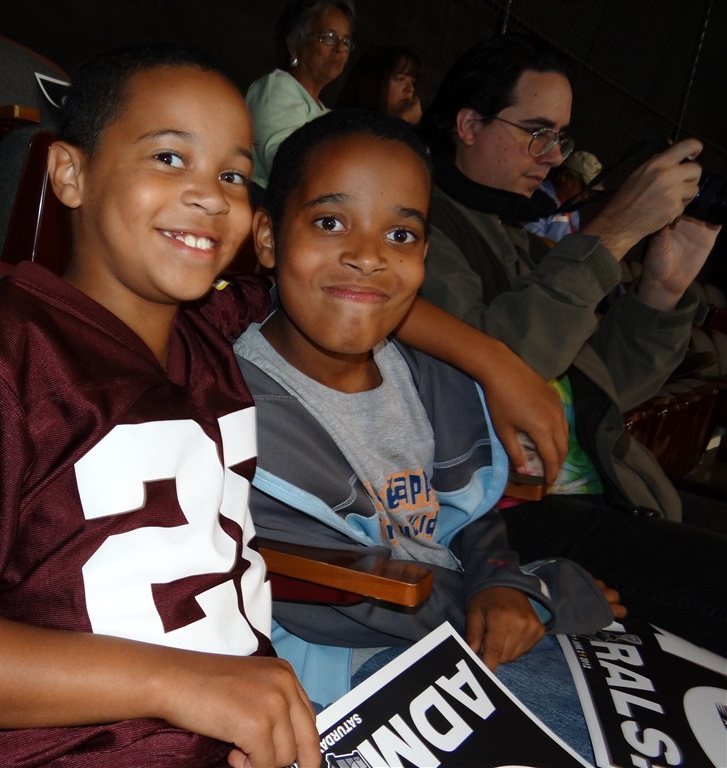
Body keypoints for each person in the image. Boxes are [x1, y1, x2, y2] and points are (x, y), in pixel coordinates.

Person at [0, 43, 322, 768]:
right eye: (169, 158)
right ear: (71, 174)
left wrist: (481, 357)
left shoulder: (207, 327)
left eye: (232, 174)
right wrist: (179, 683)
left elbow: (334, 279)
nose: (210, 195)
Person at [233, 108, 620, 761]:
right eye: (330, 223)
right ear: (268, 237)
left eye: (400, 235)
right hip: (330, 674)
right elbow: (356, 598)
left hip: (450, 620)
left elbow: (465, 512)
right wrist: (538, 594)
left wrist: (500, 580)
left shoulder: (427, 377)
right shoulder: (238, 410)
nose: (368, 256)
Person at [418, 33, 727, 654]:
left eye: (560, 137)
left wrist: (661, 291)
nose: (553, 157)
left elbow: (605, 390)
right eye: (537, 132)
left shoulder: (522, 241)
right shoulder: (418, 228)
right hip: (501, 520)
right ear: (469, 125)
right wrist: (610, 235)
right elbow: (494, 373)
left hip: (602, 493)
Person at [246, 0, 356, 194]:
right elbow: (285, 167)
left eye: (345, 42)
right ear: (295, 45)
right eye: (329, 37)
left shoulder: (326, 113)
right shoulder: (276, 88)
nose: (339, 48)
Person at [525, 149, 605, 242]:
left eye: (589, 191)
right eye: (583, 187)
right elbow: (533, 239)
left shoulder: (572, 210)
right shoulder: (537, 198)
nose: (585, 195)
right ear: (566, 176)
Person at [335, 44, 423, 125]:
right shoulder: (345, 124)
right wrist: (403, 122)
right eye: (400, 79)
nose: (410, 89)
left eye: (412, 82)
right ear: (374, 83)